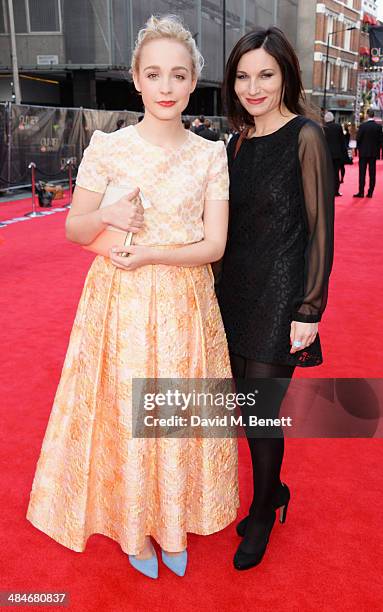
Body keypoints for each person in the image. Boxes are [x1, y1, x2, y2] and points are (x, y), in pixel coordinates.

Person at [26, 15, 238, 580]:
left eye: (177, 74)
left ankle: (172, 520)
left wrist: (150, 254)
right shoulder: (109, 147)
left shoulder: (210, 155)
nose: (166, 87)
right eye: (154, 74)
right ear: (135, 80)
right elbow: (74, 228)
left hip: (185, 304)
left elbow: (214, 245)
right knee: (124, 415)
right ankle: (132, 528)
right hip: (118, 303)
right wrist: (109, 215)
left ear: (195, 80)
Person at [219, 26, 334, 570]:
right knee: (246, 412)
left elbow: (320, 231)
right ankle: (275, 491)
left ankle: (262, 510)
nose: (253, 87)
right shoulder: (235, 142)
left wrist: (310, 309)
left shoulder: (306, 136)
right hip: (233, 292)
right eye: (243, 76)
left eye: (265, 74)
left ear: (285, 74)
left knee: (261, 415)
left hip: (282, 293)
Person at [353, 108, 383, 198]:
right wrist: (377, 149)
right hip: (373, 153)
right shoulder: (378, 127)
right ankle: (370, 192)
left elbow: (358, 139)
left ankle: (361, 192)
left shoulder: (363, 126)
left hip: (363, 153)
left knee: (362, 173)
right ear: (373, 115)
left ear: (367, 115)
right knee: (372, 173)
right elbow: (380, 140)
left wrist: (359, 148)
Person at [323, 111, 345, 196]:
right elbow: (342, 141)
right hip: (337, 154)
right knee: (336, 173)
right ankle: (336, 191)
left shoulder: (323, 128)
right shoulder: (338, 127)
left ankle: (327, 190)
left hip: (326, 154)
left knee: (327, 173)